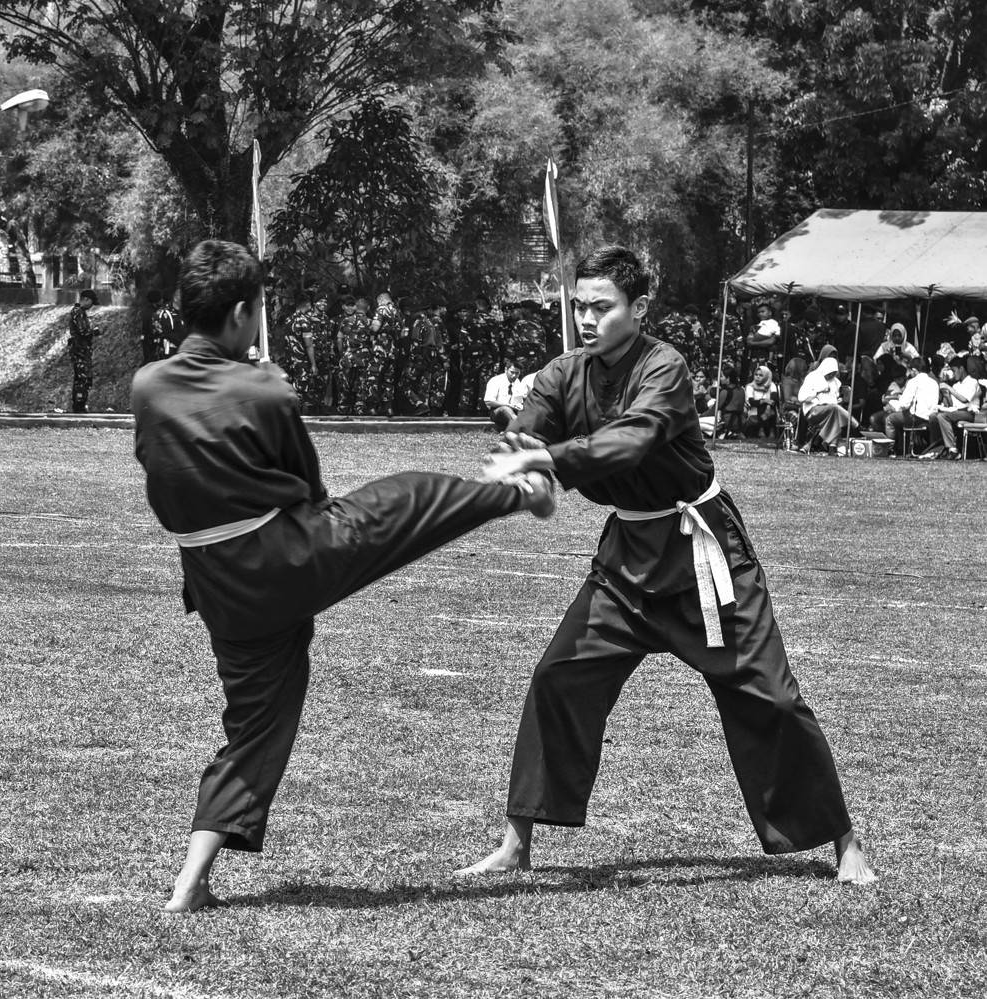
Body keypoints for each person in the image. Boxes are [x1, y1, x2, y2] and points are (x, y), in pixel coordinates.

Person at [130, 240, 555, 912]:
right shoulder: (265, 388)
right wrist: (265, 389)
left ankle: (190, 883)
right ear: (242, 313)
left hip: (216, 587)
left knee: (256, 722)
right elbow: (309, 487)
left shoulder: (147, 385)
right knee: (407, 496)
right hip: (287, 557)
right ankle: (521, 493)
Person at [462, 245, 874, 885]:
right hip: (625, 561)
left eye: (602, 307)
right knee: (558, 677)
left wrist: (546, 461)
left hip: (702, 554)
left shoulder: (665, 366)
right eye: (580, 306)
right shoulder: (561, 374)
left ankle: (844, 842)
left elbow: (633, 439)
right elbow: (528, 436)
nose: (587, 319)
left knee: (771, 696)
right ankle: (516, 843)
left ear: (639, 308)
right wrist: (521, 461)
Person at [796, 348, 856, 452]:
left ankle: (826, 447)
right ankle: (855, 424)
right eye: (830, 373)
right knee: (835, 410)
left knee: (835, 415)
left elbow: (834, 398)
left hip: (829, 411)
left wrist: (838, 400)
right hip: (813, 410)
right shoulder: (812, 377)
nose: (831, 376)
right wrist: (817, 392)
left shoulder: (836, 382)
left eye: (833, 373)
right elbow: (801, 397)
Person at [883, 355, 939, 457]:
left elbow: (904, 404)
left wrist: (893, 404)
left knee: (890, 419)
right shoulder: (934, 382)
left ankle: (890, 449)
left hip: (916, 418)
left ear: (914, 370)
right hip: (931, 417)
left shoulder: (913, 382)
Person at [926, 358, 981, 460]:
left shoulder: (972, 382)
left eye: (954, 370)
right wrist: (946, 395)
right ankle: (937, 448)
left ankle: (953, 449)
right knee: (933, 416)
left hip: (969, 413)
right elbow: (953, 404)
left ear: (961, 369)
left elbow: (964, 400)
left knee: (942, 416)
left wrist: (949, 388)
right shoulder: (956, 385)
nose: (953, 374)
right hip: (957, 412)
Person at [67, 290, 101, 413]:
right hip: (80, 350)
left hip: (81, 350)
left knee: (81, 378)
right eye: (91, 302)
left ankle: (79, 404)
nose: (91, 306)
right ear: (86, 299)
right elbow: (83, 331)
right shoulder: (78, 312)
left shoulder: (79, 312)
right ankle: (79, 405)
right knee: (83, 378)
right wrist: (94, 331)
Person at [482, 359, 523, 431]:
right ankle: (520, 428)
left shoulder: (517, 382)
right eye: (512, 372)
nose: (514, 375)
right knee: (505, 409)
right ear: (506, 370)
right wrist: (508, 405)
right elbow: (488, 401)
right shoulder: (496, 380)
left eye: (517, 373)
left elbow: (519, 401)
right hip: (497, 411)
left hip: (513, 410)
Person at [743, 364, 779, 438]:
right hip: (754, 411)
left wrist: (768, 406)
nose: (757, 377)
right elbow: (752, 402)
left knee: (768, 405)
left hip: (769, 410)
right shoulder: (750, 386)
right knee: (762, 405)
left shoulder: (771, 385)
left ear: (766, 376)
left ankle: (766, 430)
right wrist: (764, 401)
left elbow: (774, 398)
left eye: (761, 375)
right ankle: (765, 429)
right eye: (756, 374)